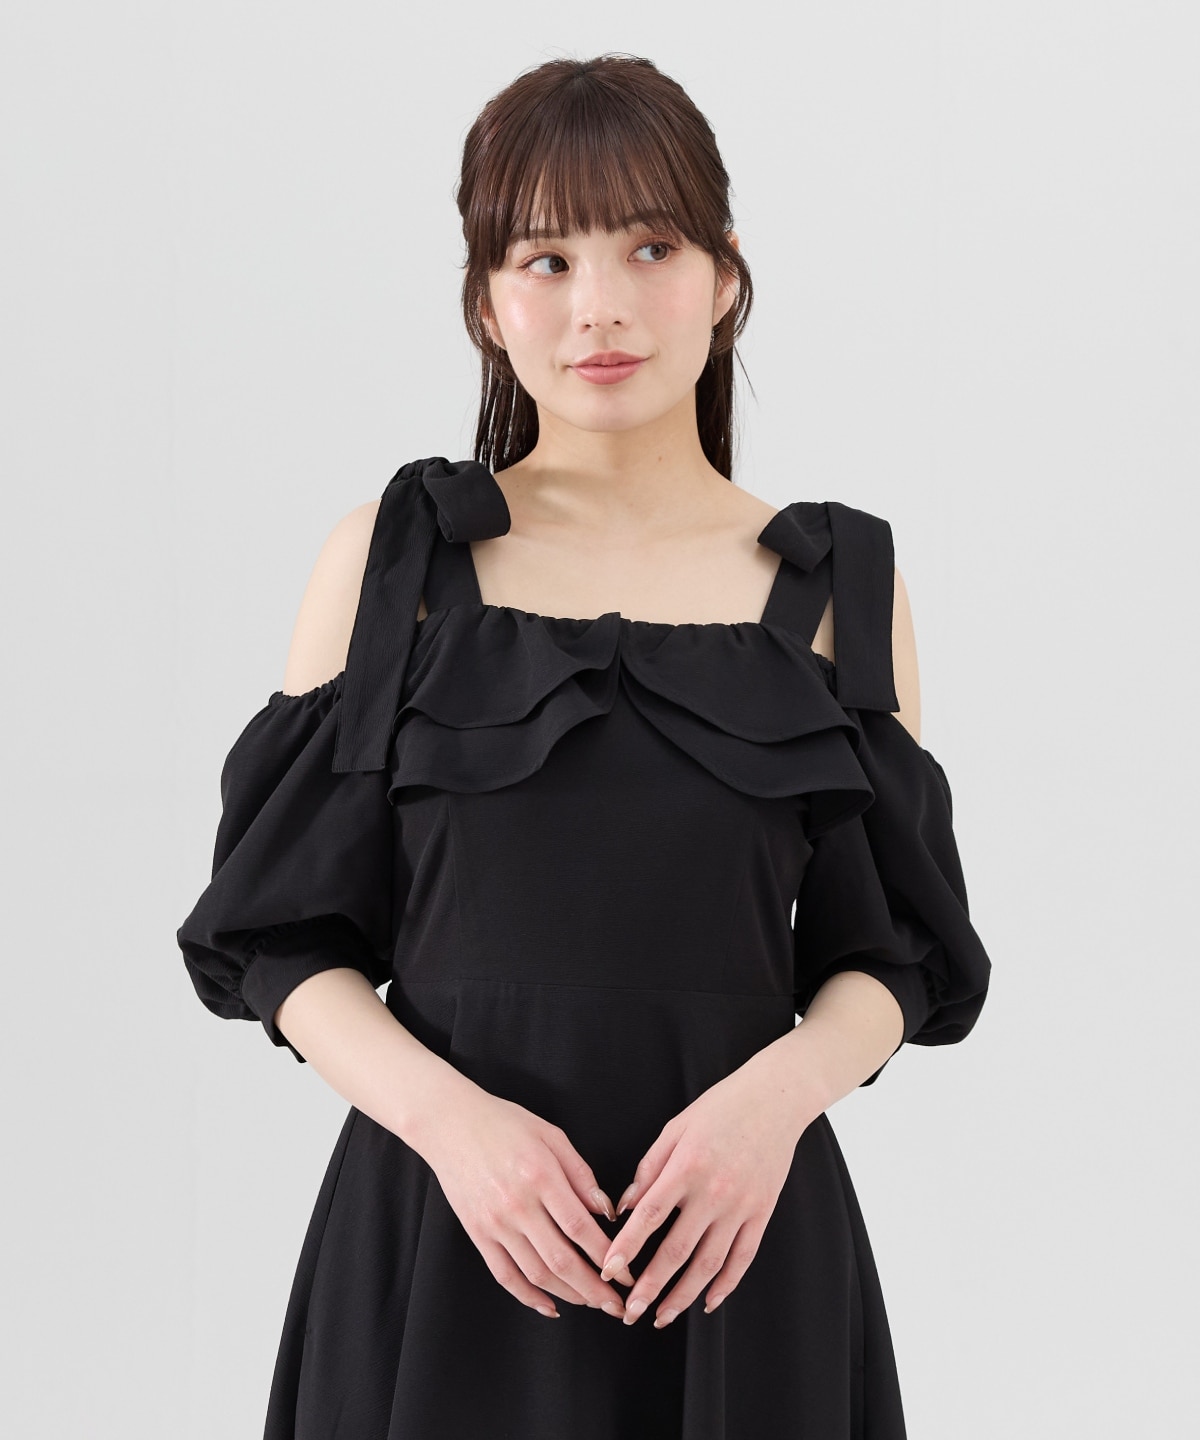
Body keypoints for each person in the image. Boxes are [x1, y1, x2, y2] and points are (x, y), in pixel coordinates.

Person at [177, 52, 992, 1439]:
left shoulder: (840, 589)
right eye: (545, 260)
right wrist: (456, 1131)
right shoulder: (393, 565)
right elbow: (280, 941)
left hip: (738, 1250)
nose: (599, 305)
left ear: (725, 278)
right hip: (444, 1245)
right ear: (486, 302)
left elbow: (895, 952)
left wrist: (770, 1109)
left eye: (650, 248)